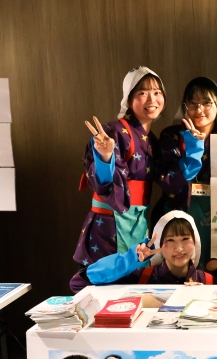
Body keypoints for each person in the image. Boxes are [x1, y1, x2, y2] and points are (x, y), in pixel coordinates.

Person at [75, 66, 177, 267]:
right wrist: (105, 158)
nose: (152, 99)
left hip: (137, 222)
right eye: (142, 93)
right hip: (110, 225)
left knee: (136, 279)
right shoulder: (114, 131)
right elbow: (102, 183)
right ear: (129, 99)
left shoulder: (153, 140)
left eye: (157, 92)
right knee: (108, 280)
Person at [156, 77, 217, 268]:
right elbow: (167, 182)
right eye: (193, 103)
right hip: (180, 210)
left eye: (206, 102)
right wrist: (192, 152)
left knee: (214, 265)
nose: (199, 109)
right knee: (181, 266)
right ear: (185, 107)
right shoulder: (171, 136)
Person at [70, 211, 217, 293]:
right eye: (170, 240)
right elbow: (79, 283)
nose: (179, 248)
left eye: (185, 239)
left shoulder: (209, 281)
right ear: (159, 244)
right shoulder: (142, 278)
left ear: (196, 242)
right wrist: (130, 259)